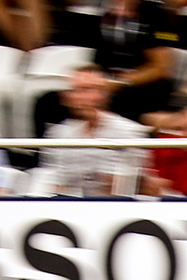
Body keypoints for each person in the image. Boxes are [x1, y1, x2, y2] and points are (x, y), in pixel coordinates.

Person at [41, 65, 149, 196]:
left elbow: (122, 187)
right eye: (76, 90)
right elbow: (56, 184)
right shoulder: (58, 134)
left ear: (105, 94)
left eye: (88, 90)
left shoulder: (129, 132)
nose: (81, 97)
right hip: (68, 206)